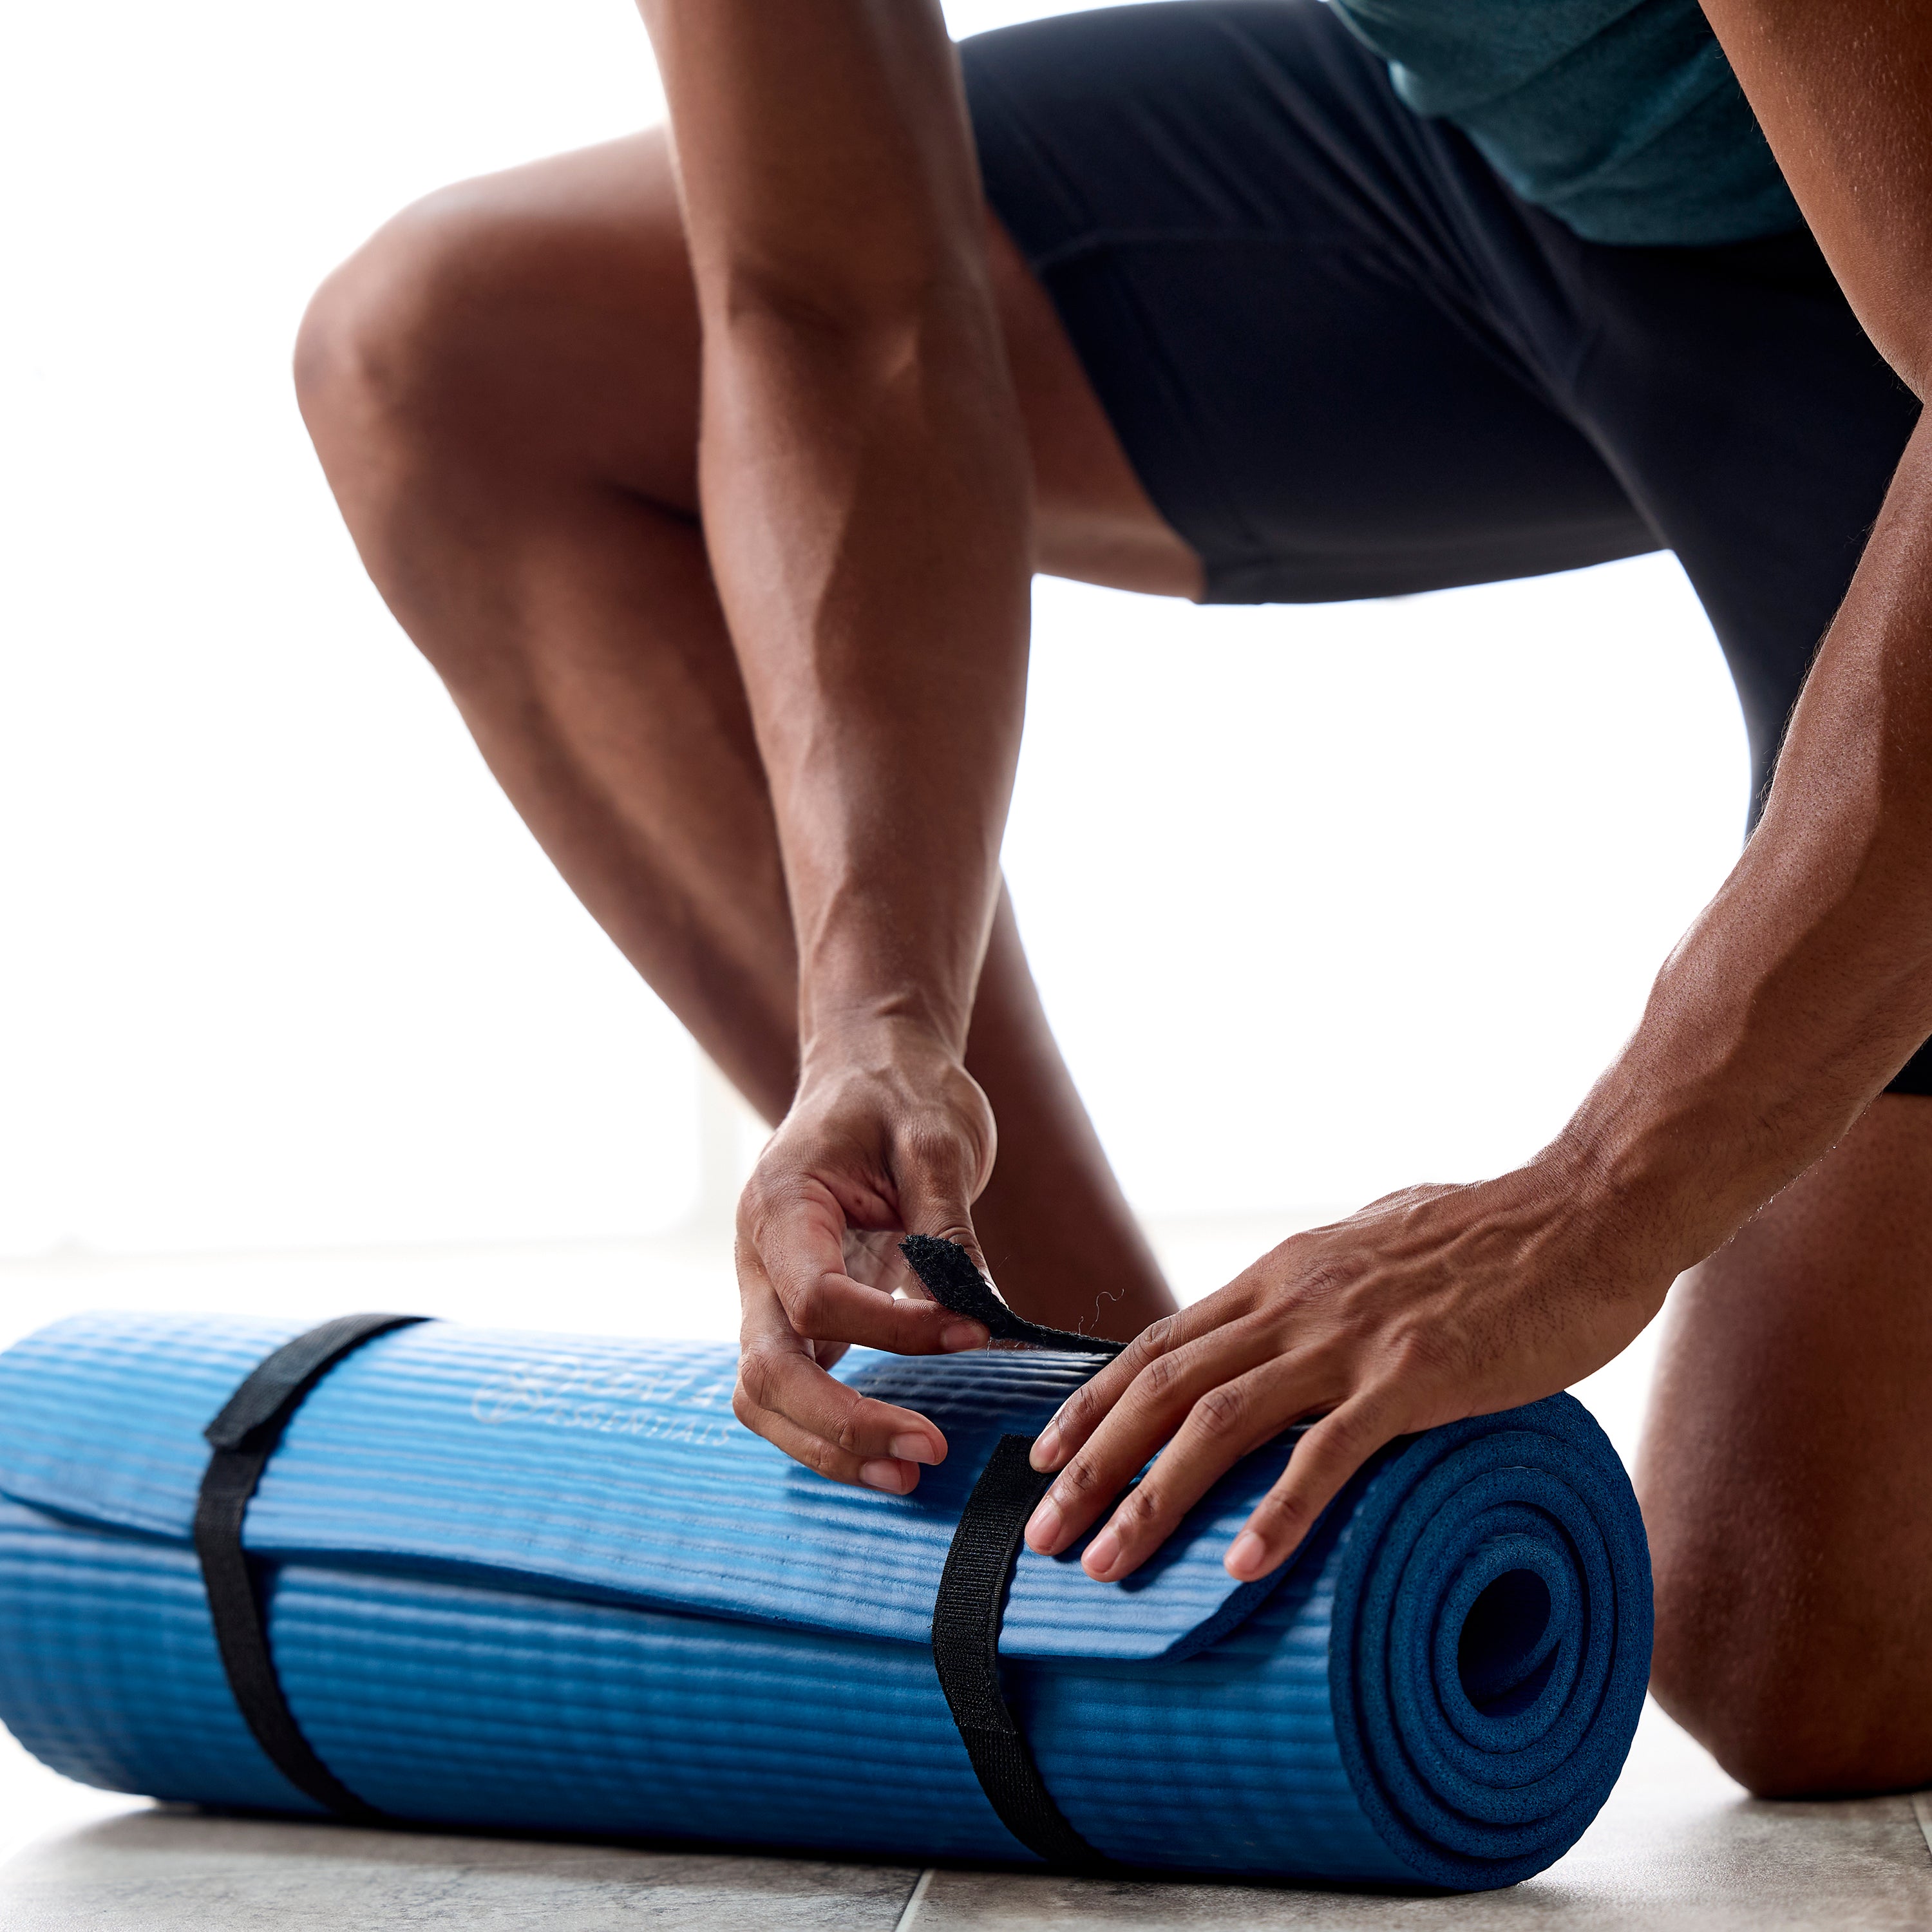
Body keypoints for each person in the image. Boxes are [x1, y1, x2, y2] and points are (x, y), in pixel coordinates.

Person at [294, 0, 1932, 1799]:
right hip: (1527, 181)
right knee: (459, 354)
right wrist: (878, 1017)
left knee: (1800, 1652)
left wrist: (1597, 1200)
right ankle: (1128, 1477)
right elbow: (836, 304)